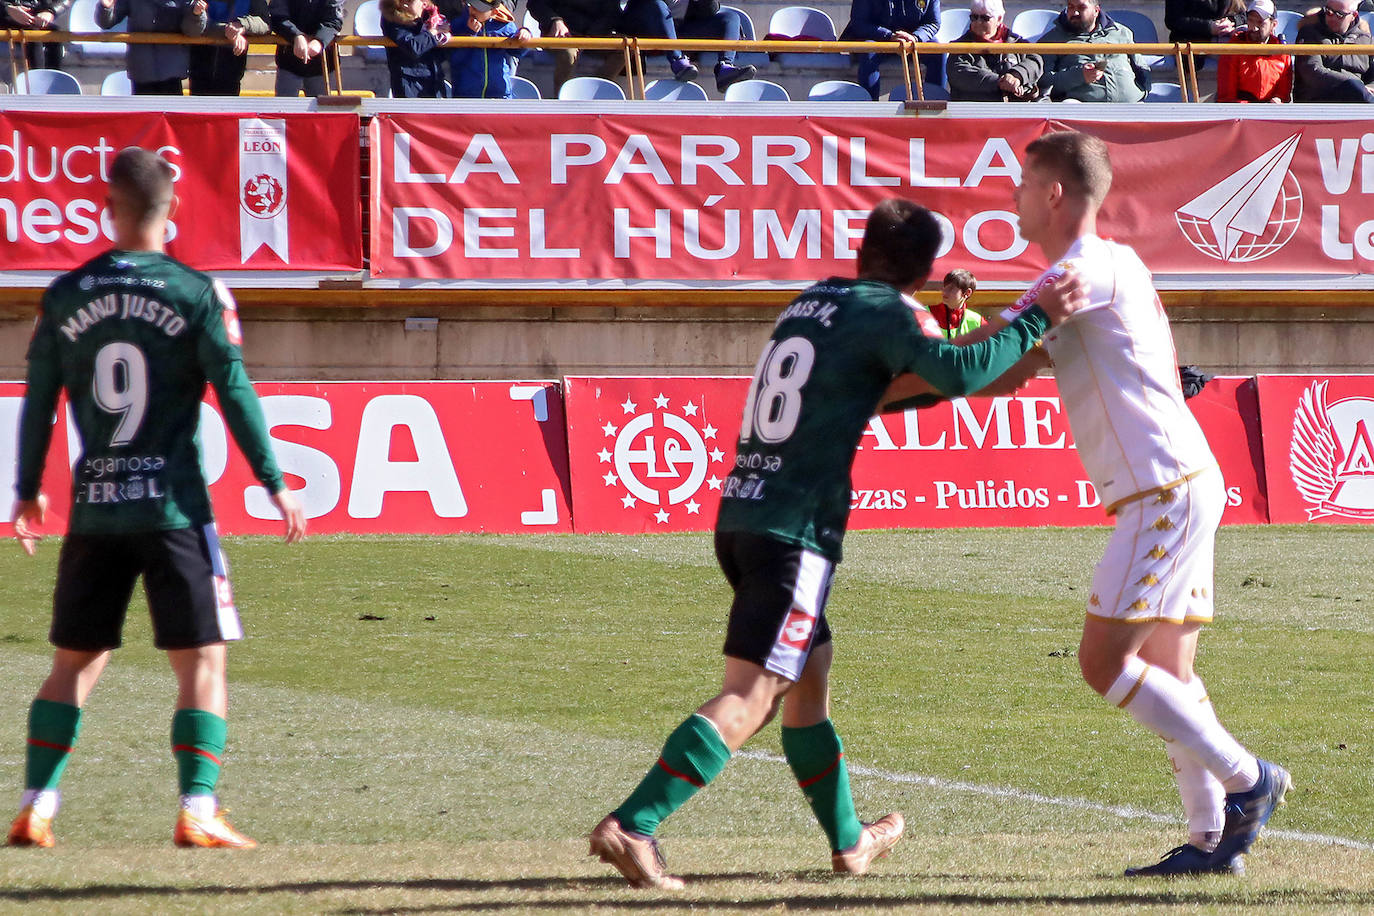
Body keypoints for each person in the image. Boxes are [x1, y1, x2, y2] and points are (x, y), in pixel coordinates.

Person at [586, 197, 1087, 891]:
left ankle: (850, 842)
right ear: (924, 270)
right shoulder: (889, 312)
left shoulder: (813, 302)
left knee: (809, 674)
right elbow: (955, 373)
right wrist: (1037, 317)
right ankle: (634, 823)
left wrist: (996, 363)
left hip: (745, 513)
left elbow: (874, 393)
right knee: (752, 695)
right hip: (796, 529)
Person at [6, 147, 307, 850]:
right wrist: (275, 481)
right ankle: (198, 810)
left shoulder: (66, 293)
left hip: (96, 509)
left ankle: (37, 803)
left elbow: (40, 399)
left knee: (74, 661)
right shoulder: (198, 293)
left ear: (107, 210)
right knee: (203, 659)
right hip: (174, 508)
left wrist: (25, 491)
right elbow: (234, 390)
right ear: (173, 210)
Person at [1007, 129, 1289, 877]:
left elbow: (994, 362)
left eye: (1025, 182)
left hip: (1163, 486)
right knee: (1170, 668)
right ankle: (1206, 842)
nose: (1015, 194)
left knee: (1105, 663)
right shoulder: (1114, 261)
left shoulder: (1076, 270)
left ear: (1056, 193)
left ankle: (1248, 780)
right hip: (1188, 475)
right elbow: (1012, 356)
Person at [616, 0, 755, 93]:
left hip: (680, 30)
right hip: (645, 28)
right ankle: (677, 61)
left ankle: (725, 67)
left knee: (730, 17)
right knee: (658, 5)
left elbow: (712, 9)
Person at [1038, 0, 1149, 102]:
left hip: (1132, 105)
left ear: (1096, 11)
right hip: (1080, 108)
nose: (1075, 13)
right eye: (1071, 7)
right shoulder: (1051, 40)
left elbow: (1142, 68)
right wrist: (1079, 75)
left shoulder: (1121, 32)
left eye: (1081, 7)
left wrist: (1144, 91)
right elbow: (1044, 82)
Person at [98, 0, 208, 94]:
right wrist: (105, 8)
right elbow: (106, 22)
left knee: (170, 116)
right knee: (143, 117)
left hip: (172, 72)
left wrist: (196, 15)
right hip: (141, 70)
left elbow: (192, 31)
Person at [839, 0, 941, 100]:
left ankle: (935, 103)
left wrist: (915, 37)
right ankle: (870, 105)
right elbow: (859, 23)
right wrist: (889, 36)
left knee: (938, 52)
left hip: (911, 41)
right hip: (877, 39)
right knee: (868, 50)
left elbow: (933, 22)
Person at [947, 0, 1042, 101]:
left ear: (999, 19)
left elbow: (1035, 60)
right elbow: (959, 72)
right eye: (974, 17)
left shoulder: (1017, 43)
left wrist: (1017, 75)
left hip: (1015, 109)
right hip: (974, 110)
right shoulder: (958, 46)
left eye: (985, 18)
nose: (978, 22)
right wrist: (1000, 82)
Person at [526, 0, 621, 94]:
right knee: (568, 53)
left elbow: (611, 13)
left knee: (624, 49)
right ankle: (564, 101)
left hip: (594, 37)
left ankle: (596, 93)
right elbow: (535, 4)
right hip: (561, 35)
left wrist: (592, 34)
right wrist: (555, 20)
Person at [1294, 0, 1374, 102]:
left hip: (1359, 100)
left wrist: (1370, 88)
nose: (1332, 17)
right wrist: (1352, 84)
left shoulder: (1365, 39)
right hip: (1319, 99)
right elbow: (1313, 71)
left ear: (1353, 15)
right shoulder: (1309, 34)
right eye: (1328, 11)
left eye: (1339, 15)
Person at [446, 0, 528, 99]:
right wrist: (469, 32)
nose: (472, 11)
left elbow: (517, 52)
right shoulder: (459, 23)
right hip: (466, 94)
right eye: (471, 6)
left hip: (499, 94)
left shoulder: (504, 25)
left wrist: (524, 34)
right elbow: (453, 56)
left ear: (494, 12)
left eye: (479, 9)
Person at [1216, 0, 1292, 103]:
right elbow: (1227, 95)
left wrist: (1278, 99)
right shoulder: (1235, 47)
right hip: (1239, 111)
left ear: (1273, 25)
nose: (1254, 27)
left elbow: (1284, 93)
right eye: (1251, 20)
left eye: (1260, 22)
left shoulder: (1282, 50)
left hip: (1272, 111)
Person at [189, 0, 271, 95]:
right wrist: (228, 31)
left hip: (232, 69)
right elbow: (191, 20)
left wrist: (242, 25)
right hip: (200, 66)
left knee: (229, 106)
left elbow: (265, 23)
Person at [269, 0, 343, 96]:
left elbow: (334, 20)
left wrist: (319, 41)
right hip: (288, 62)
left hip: (322, 64)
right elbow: (277, 16)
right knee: (284, 109)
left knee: (321, 109)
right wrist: (296, 36)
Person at [381, 0, 450, 98]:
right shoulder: (392, 17)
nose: (424, 4)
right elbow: (412, 47)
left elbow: (441, 54)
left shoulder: (430, 16)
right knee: (411, 113)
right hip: (409, 83)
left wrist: (443, 34)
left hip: (434, 79)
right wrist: (433, 31)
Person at [2, 0, 73, 71]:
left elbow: (64, 1)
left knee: (55, 34)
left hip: (36, 18)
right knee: (33, 36)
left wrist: (50, 11)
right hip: (6, 21)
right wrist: (7, 8)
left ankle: (53, 78)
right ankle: (37, 78)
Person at [930, 269, 985, 339]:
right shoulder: (925, 314)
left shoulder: (978, 321)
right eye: (944, 287)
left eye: (951, 288)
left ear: (967, 293)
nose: (944, 292)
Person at [1164, 0, 1242, 44]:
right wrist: (1208, 27)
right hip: (1191, 43)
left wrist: (1231, 21)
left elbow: (1245, 16)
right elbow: (1173, 19)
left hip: (1225, 39)